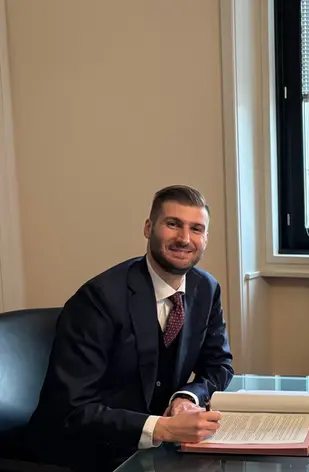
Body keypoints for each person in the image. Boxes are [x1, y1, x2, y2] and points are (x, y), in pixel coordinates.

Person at [28, 185, 234, 471]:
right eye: (173, 224)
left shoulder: (206, 288)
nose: (185, 239)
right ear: (149, 228)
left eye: (196, 229)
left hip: (155, 452)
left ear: (206, 238)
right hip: (86, 455)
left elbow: (219, 364)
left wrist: (186, 397)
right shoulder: (99, 299)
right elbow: (70, 410)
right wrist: (163, 428)